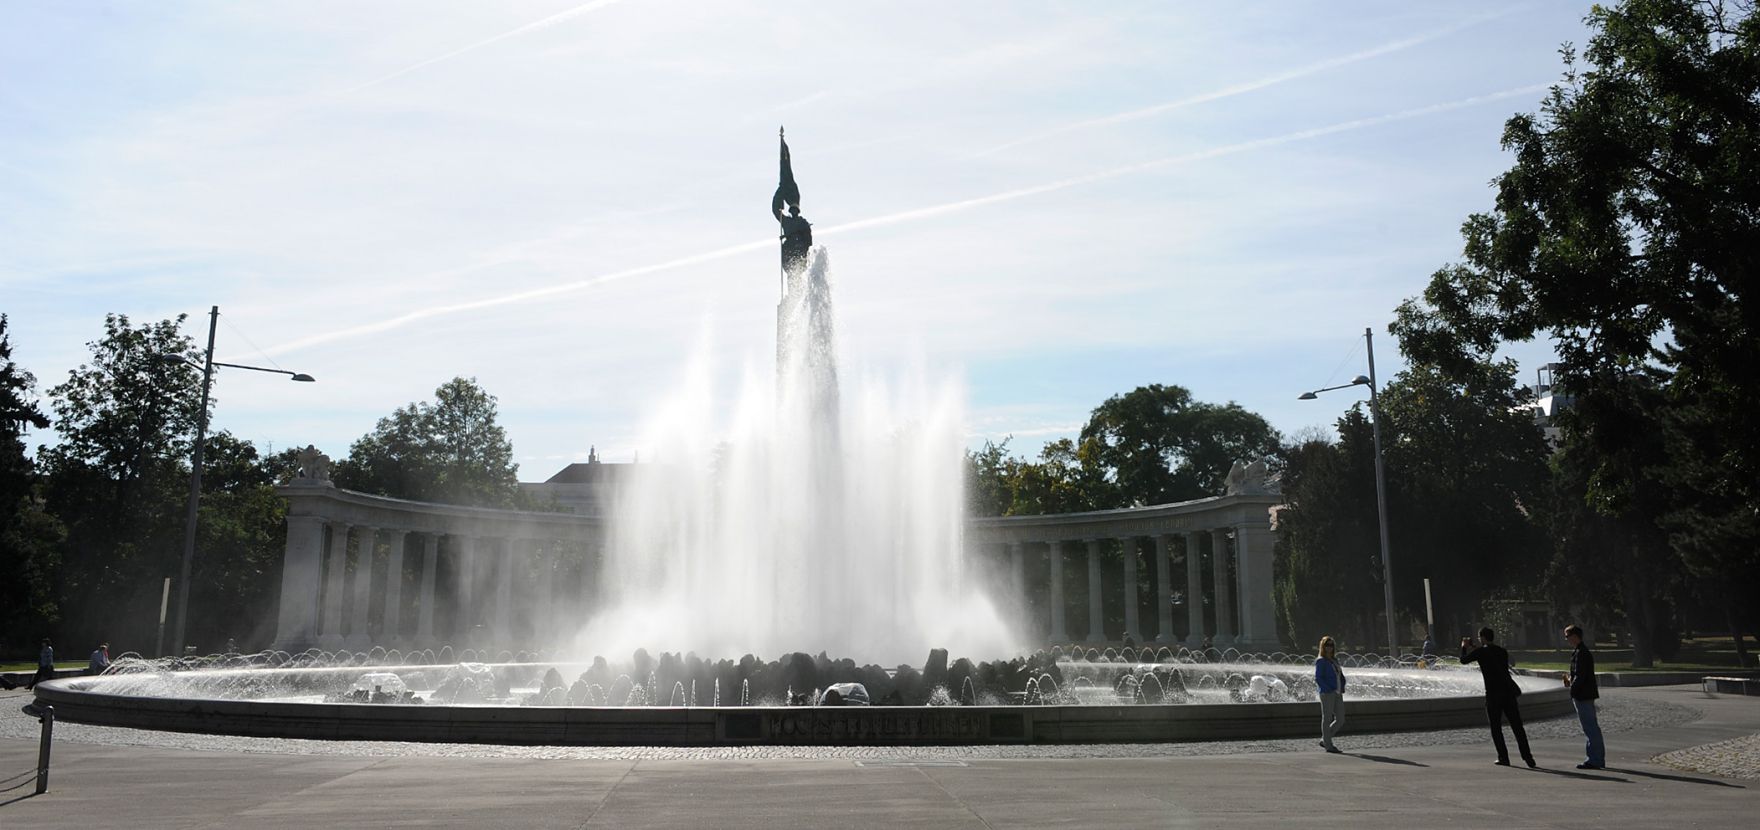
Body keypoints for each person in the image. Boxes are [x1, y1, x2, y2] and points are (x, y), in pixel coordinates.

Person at [1461, 627, 1535, 767]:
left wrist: (1464, 647)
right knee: (1517, 726)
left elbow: (1463, 660)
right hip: (1508, 693)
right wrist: (1477, 647)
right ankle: (1528, 757)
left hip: (1493, 695)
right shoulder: (1502, 651)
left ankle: (1503, 757)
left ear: (1482, 637)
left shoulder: (1481, 652)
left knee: (1496, 728)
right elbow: (1491, 653)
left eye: (1479, 637)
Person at [1564, 624, 1605, 769]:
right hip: (1585, 693)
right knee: (1591, 727)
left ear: (1575, 636)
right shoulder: (1580, 651)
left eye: (1567, 636)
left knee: (1590, 727)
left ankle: (1594, 759)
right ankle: (1597, 758)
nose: (1566, 639)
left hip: (1583, 694)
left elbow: (1580, 676)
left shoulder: (1581, 653)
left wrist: (1572, 690)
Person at [1315, 635, 1345, 753]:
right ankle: (1328, 745)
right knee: (1327, 718)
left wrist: (1342, 685)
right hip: (1327, 693)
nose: (1329, 647)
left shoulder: (1334, 660)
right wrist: (1328, 689)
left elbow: (1340, 675)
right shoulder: (1321, 661)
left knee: (1341, 719)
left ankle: (1325, 739)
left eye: (1331, 645)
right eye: (1327, 645)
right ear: (1323, 646)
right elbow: (1318, 678)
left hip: (1337, 692)